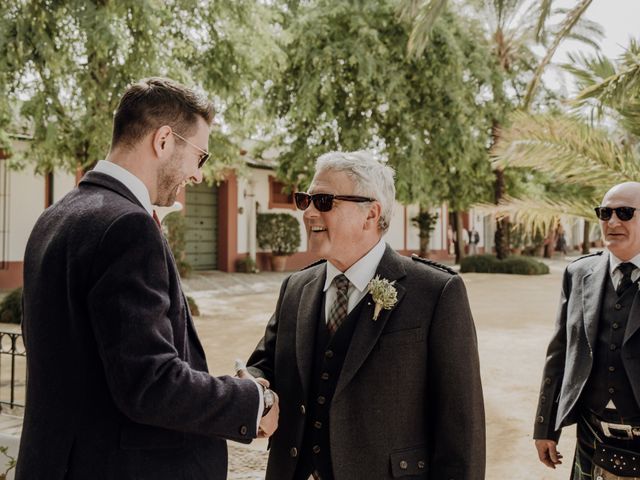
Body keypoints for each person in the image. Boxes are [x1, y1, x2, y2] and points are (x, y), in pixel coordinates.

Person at [16, 77, 278, 480]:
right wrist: (250, 400)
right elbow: (150, 383)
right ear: (163, 140)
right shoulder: (127, 226)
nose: (198, 176)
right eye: (200, 157)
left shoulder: (55, 216)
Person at [246, 151, 485, 480]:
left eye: (324, 201)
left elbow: (461, 429)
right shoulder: (295, 287)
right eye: (306, 200)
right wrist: (254, 390)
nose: (309, 213)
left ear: (371, 214)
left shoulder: (436, 293)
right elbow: (266, 364)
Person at [534, 181, 640, 479]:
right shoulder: (578, 273)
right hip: (591, 440)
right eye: (605, 213)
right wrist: (546, 427)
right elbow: (559, 355)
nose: (613, 221)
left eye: (625, 212)